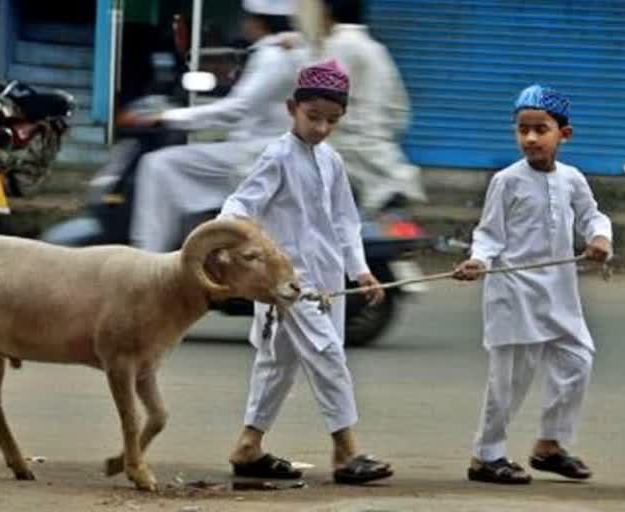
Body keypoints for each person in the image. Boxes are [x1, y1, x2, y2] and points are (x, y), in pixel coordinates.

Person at [221, 59, 393, 485]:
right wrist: (239, 252)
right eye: (313, 117)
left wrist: (360, 270)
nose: (320, 128)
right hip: (288, 284)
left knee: (277, 365)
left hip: (328, 281)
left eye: (332, 120)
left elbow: (345, 221)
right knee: (328, 355)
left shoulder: (331, 160)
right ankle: (345, 452)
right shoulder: (277, 155)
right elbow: (238, 208)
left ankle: (248, 447)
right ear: (291, 109)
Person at [453, 84, 613, 484]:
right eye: (522, 129)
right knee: (509, 381)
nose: (530, 138)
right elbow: (488, 234)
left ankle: (550, 445)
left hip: (559, 290)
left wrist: (600, 239)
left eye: (540, 129)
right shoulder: (506, 181)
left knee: (578, 359)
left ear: (564, 134)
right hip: (513, 292)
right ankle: (486, 457)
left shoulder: (573, 179)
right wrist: (478, 261)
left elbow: (592, 216)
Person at [127, 0, 303, 252]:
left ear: (260, 21)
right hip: (260, 149)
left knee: (158, 165)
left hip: (257, 155)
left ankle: (149, 259)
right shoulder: (287, 52)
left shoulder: (273, 58)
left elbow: (236, 109)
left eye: (248, 18)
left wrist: (167, 117)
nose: (244, 24)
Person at [318, 0, 425, 213]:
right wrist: (382, 137)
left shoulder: (337, 46)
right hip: (383, 157)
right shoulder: (377, 49)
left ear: (327, 12)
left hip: (350, 154)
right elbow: (400, 109)